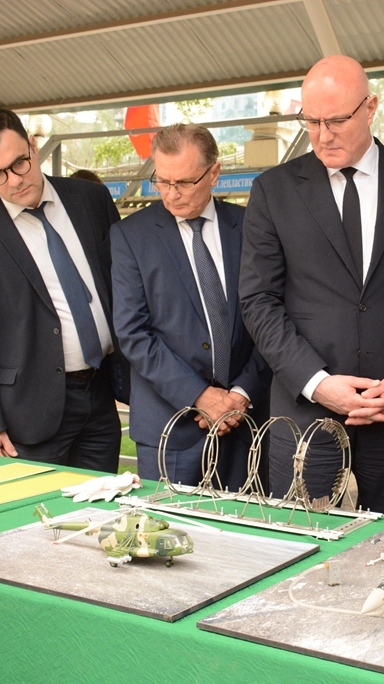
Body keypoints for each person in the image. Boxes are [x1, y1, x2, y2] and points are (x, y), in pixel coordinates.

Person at [240, 55, 384, 517]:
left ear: (370, 108)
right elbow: (259, 300)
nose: (323, 136)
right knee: (300, 547)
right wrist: (318, 383)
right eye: (312, 122)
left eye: (337, 120)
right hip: (304, 416)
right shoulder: (274, 190)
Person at [0, 108, 122, 471]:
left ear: (33, 146)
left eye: (19, 163)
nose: (13, 181)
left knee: (102, 508)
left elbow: (122, 287)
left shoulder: (89, 199)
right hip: (28, 408)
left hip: (104, 394)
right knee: (34, 522)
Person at [111, 124, 271, 488]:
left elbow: (270, 318)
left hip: (245, 422)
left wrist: (241, 394)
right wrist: (199, 396)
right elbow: (133, 333)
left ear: (214, 173)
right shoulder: (131, 236)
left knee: (246, 537)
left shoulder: (251, 228)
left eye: (183, 183)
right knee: (170, 537)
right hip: (171, 428)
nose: (171, 195)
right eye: (162, 181)